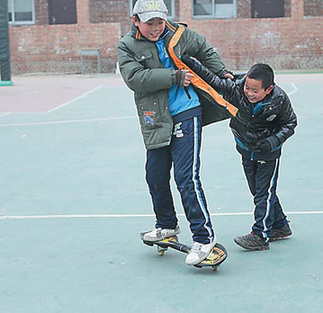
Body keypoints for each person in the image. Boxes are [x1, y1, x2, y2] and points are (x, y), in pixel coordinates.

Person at [117, 0, 237, 265]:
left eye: (160, 21)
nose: (157, 28)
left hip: (187, 110)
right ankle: (167, 225)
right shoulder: (127, 45)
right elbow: (134, 78)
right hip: (156, 118)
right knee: (155, 175)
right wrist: (173, 77)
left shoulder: (179, 34)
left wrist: (222, 72)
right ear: (135, 20)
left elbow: (204, 49)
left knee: (186, 177)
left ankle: (203, 239)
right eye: (150, 23)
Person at [182, 56, 297, 250]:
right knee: (259, 191)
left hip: (268, 154)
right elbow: (213, 80)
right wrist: (193, 64)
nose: (249, 93)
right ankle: (281, 225)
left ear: (268, 89)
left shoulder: (279, 99)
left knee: (263, 193)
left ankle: (260, 235)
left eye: (255, 91)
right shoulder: (237, 88)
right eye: (247, 88)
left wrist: (273, 141)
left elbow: (290, 123)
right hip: (245, 148)